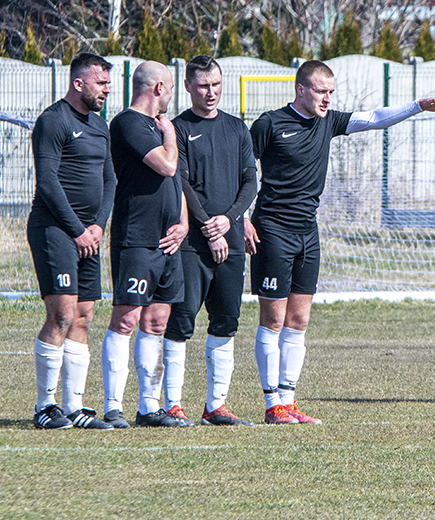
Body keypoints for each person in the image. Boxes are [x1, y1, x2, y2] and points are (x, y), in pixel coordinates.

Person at [246, 60, 435, 425]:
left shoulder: (330, 121)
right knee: (273, 318)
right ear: (301, 89)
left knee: (299, 318)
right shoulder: (269, 124)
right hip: (272, 230)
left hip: (308, 232)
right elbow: (242, 170)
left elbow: (374, 117)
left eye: (331, 93)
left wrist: (418, 106)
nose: (327, 99)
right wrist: (242, 218)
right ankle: (271, 404)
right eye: (321, 91)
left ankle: (289, 401)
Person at [161, 56, 257, 427]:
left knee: (226, 322)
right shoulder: (179, 128)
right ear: (188, 87)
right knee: (181, 321)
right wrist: (206, 226)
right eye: (203, 86)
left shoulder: (237, 128)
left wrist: (228, 221)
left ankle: (216, 406)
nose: (211, 92)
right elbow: (181, 184)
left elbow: (251, 182)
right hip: (191, 246)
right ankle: (172, 404)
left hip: (231, 242)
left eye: (216, 84)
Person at [28, 53, 116, 430]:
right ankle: (44, 407)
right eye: (101, 82)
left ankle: (75, 407)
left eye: (108, 84)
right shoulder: (53, 121)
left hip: (89, 235)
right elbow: (47, 183)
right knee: (62, 313)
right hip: (55, 229)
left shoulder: (100, 125)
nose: (106, 89)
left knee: (83, 316)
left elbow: (110, 180)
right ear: (78, 83)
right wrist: (77, 230)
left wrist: (98, 226)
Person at [101, 61, 189, 428]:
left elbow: (177, 181)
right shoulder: (128, 123)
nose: (171, 96)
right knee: (126, 319)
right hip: (136, 239)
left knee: (157, 321)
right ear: (158, 88)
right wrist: (169, 133)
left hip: (169, 242)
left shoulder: (157, 127)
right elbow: (167, 165)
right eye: (170, 88)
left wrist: (184, 223)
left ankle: (148, 408)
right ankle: (112, 407)